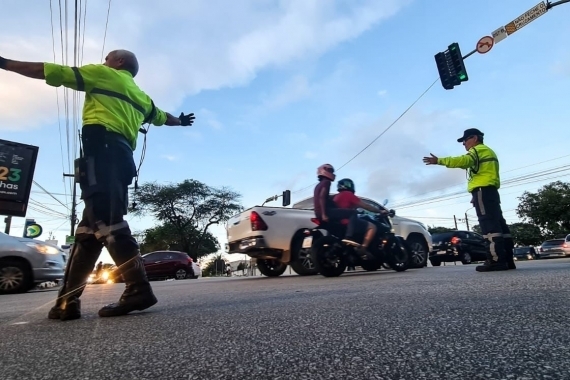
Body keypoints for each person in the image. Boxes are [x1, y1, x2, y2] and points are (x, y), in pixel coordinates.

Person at [0, 50, 196, 320]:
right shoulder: (142, 98)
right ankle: (67, 303)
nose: (103, 62)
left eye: (107, 58)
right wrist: (181, 121)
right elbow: (163, 117)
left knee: (108, 222)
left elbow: (49, 71)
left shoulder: (104, 74)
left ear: (118, 62)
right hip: (122, 158)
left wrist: (5, 63)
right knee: (88, 232)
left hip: (101, 152)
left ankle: (138, 288)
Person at [422, 128, 515, 272]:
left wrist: (439, 160)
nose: (464, 143)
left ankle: (496, 261)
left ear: (475, 138)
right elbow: (483, 174)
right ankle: (507, 260)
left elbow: (464, 161)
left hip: (483, 191)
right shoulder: (488, 151)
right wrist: (475, 195)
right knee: (500, 226)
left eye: (465, 140)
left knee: (489, 226)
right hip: (489, 191)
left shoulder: (477, 150)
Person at [333, 178, 387, 260]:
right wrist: (380, 211)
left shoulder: (336, 197)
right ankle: (364, 247)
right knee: (372, 227)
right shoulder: (348, 194)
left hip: (338, 222)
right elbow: (366, 206)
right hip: (349, 222)